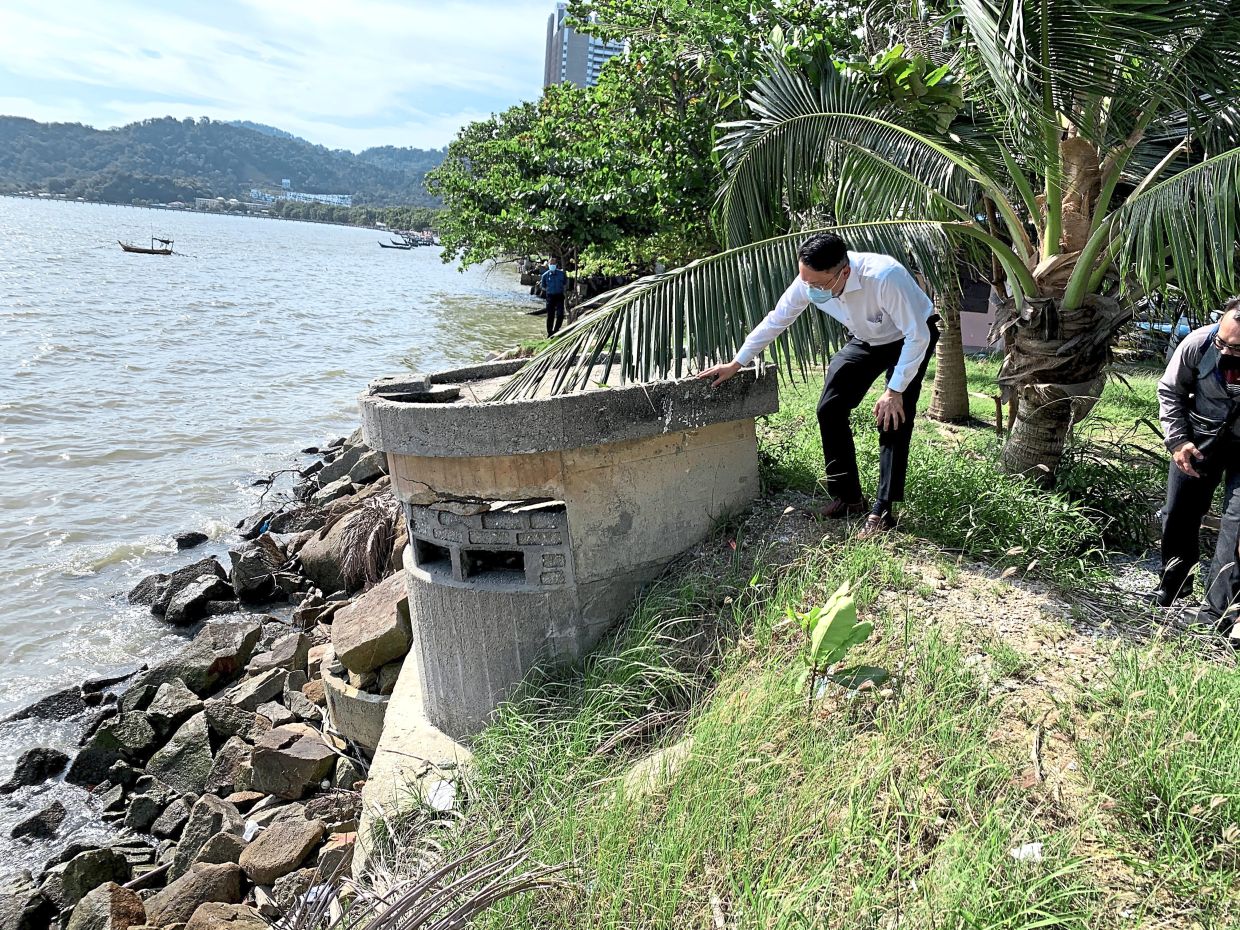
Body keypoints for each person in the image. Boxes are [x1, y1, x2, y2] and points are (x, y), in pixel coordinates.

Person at [698, 233, 938, 539]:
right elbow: (777, 319)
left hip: (909, 337)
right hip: (865, 339)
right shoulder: (810, 280)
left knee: (892, 418)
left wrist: (894, 390)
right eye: (805, 281)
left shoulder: (884, 276)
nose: (810, 289)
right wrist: (737, 363)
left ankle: (883, 510)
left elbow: (918, 336)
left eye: (818, 284)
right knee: (830, 408)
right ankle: (848, 497)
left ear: (844, 272)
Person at [1152, 296, 1240, 636]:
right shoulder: (1198, 343)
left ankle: (1216, 614)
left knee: (1236, 528)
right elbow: (1170, 391)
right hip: (1199, 440)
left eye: (1237, 349)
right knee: (1177, 514)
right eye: (1224, 342)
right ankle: (1173, 585)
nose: (1227, 351)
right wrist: (1177, 441)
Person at [540, 259, 568, 337]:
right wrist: (550, 291)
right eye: (550, 264)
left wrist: (562, 290)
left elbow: (565, 283)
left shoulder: (561, 274)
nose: (552, 265)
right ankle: (550, 332)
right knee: (550, 315)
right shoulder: (545, 275)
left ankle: (556, 330)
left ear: (556, 265)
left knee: (560, 314)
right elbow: (543, 287)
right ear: (548, 265)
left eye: (553, 264)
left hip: (559, 296)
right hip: (550, 297)